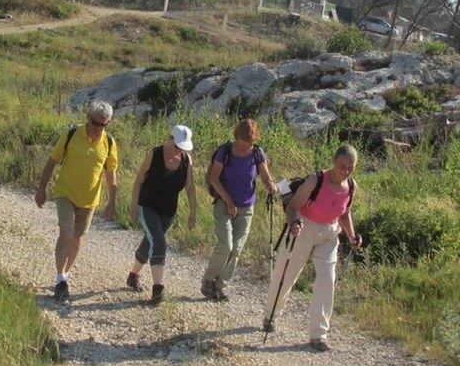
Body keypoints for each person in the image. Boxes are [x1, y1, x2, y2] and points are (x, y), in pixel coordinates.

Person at [262, 143, 360, 351]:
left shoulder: (351, 186)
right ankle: (270, 316)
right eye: (343, 166)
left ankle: (318, 335)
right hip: (304, 228)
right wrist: (293, 224)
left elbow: (344, 213)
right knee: (287, 275)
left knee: (327, 281)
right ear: (334, 161)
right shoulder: (316, 180)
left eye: (351, 167)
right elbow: (292, 206)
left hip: (329, 234)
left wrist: (352, 236)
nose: (346, 171)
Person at [35, 100, 118, 304]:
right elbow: (52, 161)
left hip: (89, 200)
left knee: (78, 239)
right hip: (66, 194)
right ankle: (61, 279)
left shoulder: (109, 142)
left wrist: (112, 201)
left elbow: (111, 173)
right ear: (88, 118)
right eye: (96, 123)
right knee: (66, 231)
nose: (100, 128)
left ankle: (65, 275)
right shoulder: (71, 135)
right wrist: (42, 188)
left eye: (104, 124)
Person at [201, 118, 277, 302]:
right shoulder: (225, 151)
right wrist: (228, 201)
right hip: (223, 204)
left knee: (236, 249)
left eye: (251, 141)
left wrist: (271, 186)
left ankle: (220, 287)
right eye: (246, 141)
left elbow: (265, 176)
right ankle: (208, 280)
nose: (248, 145)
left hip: (246, 207)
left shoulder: (258, 153)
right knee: (225, 245)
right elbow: (213, 178)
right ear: (238, 137)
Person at [126, 124, 197, 305]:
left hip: (168, 211)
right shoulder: (154, 154)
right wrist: (133, 208)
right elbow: (138, 181)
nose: (179, 150)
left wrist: (193, 212)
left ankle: (133, 275)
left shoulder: (187, 161)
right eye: (177, 145)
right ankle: (158, 289)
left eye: (183, 147)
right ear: (170, 138)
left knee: (149, 242)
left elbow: (190, 187)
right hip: (147, 205)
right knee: (159, 242)